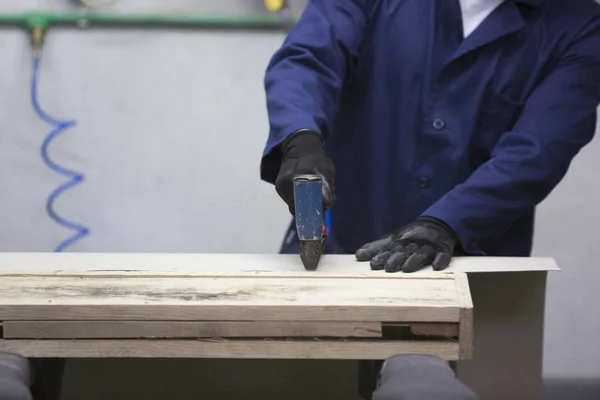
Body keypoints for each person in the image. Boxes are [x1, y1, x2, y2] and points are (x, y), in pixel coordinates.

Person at [260, 0, 600, 274]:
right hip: (338, 256)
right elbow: (307, 61)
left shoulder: (580, 26)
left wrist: (447, 223)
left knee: (455, 360)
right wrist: (300, 138)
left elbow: (537, 152)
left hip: (468, 271)